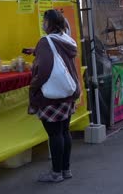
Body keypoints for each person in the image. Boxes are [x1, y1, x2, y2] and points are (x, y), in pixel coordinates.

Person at [29, 9, 80, 182]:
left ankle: (56, 173)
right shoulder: (66, 39)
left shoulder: (46, 41)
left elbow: (43, 70)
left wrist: (33, 86)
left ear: (50, 23)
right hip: (67, 92)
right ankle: (66, 170)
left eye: (45, 21)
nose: (43, 23)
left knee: (54, 134)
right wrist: (36, 50)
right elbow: (59, 58)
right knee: (64, 131)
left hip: (51, 96)